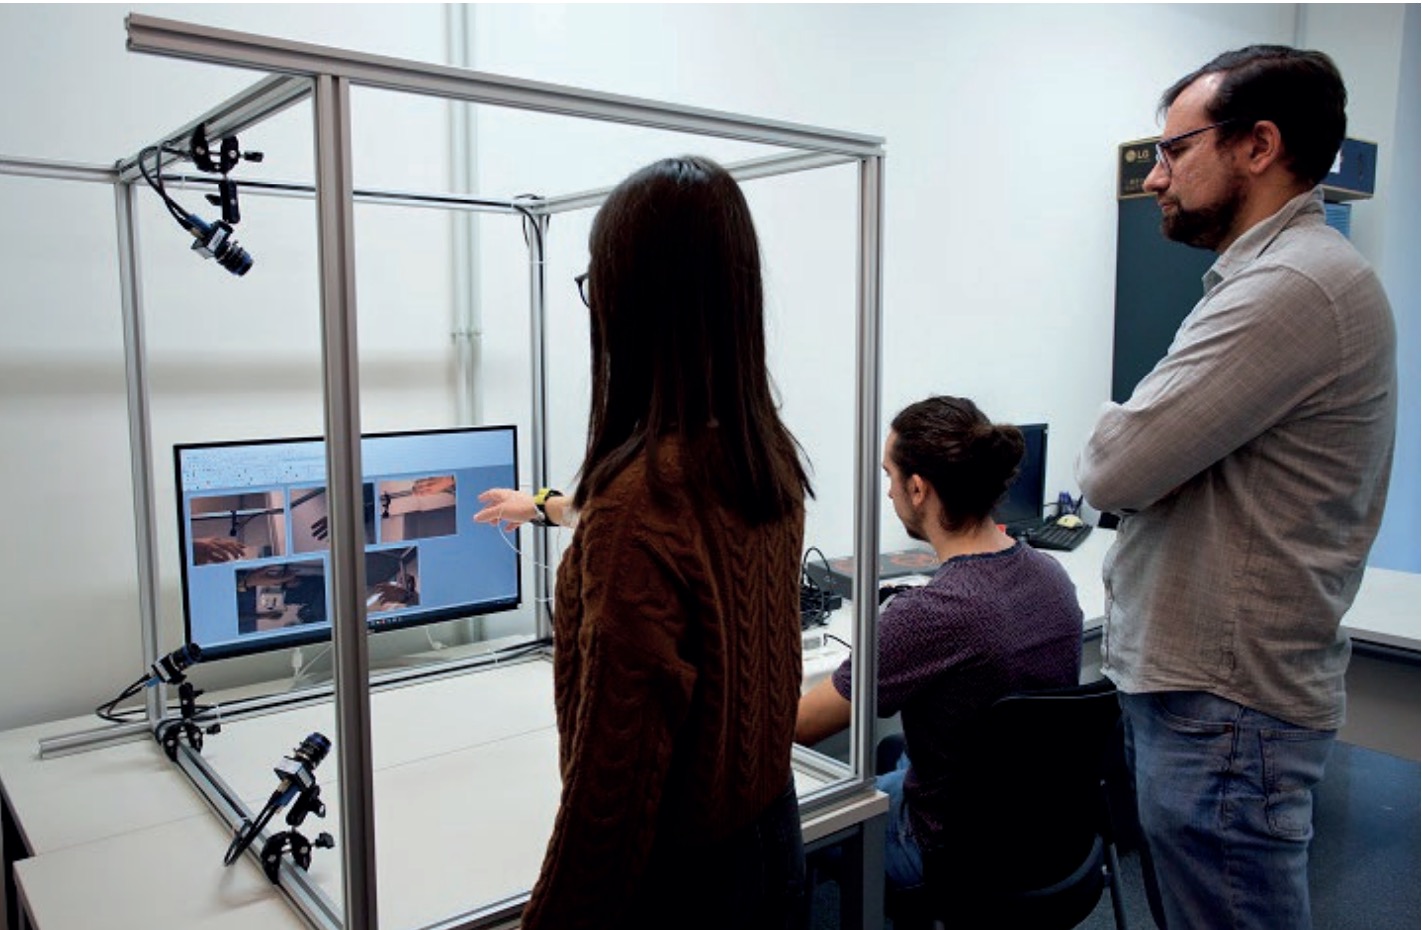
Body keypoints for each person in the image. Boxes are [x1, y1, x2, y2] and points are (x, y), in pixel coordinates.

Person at [1076, 46, 1397, 930]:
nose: (1155, 178)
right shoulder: (1280, 277)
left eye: (1174, 151)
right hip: (1221, 701)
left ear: (1258, 146)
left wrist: (1120, 422)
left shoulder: (1292, 285)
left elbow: (1110, 468)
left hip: (1226, 709)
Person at [478, 155, 813, 930]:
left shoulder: (640, 506)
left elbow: (610, 806)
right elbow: (677, 541)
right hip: (771, 842)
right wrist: (548, 507)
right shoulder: (762, 452)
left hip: (687, 890)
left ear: (634, 303)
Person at [795, 395, 1084, 890]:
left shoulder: (930, 614)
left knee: (804, 825)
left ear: (918, 489)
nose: (888, 492)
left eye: (889, 477)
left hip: (948, 846)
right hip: (1049, 832)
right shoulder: (1052, 575)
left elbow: (801, 727)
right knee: (893, 752)